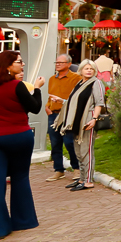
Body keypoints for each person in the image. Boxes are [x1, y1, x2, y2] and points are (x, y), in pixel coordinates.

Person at [0, 50, 45, 241]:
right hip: (17, 135)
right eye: (19, 62)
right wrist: (37, 88)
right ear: (8, 66)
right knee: (20, 177)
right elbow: (35, 107)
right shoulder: (16, 86)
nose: (22, 65)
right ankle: (24, 221)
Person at [53, 59, 106, 191]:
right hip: (77, 121)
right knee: (78, 151)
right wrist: (62, 101)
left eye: (91, 69)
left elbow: (99, 103)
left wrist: (94, 119)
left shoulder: (96, 83)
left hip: (87, 121)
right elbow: (74, 101)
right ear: (81, 70)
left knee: (86, 151)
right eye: (86, 68)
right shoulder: (80, 83)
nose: (89, 71)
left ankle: (88, 181)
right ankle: (82, 178)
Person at [44, 54, 82, 182]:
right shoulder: (52, 79)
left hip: (67, 114)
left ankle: (76, 168)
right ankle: (58, 170)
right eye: (56, 62)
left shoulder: (76, 78)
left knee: (69, 142)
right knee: (55, 143)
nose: (58, 64)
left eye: (61, 62)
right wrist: (47, 107)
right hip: (53, 114)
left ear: (69, 64)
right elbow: (50, 95)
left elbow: (77, 97)